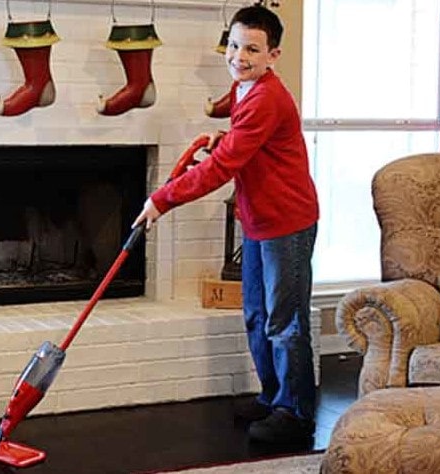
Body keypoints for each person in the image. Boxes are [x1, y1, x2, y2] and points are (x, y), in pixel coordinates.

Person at [132, 5, 319, 443]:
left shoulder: (267, 97)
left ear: (273, 54)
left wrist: (162, 199)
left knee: (285, 322)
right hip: (257, 219)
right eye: (233, 45)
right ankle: (273, 396)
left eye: (252, 49)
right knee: (255, 314)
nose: (239, 56)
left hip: (286, 223)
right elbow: (245, 146)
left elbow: (222, 169)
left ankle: (296, 413)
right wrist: (227, 137)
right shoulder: (243, 90)